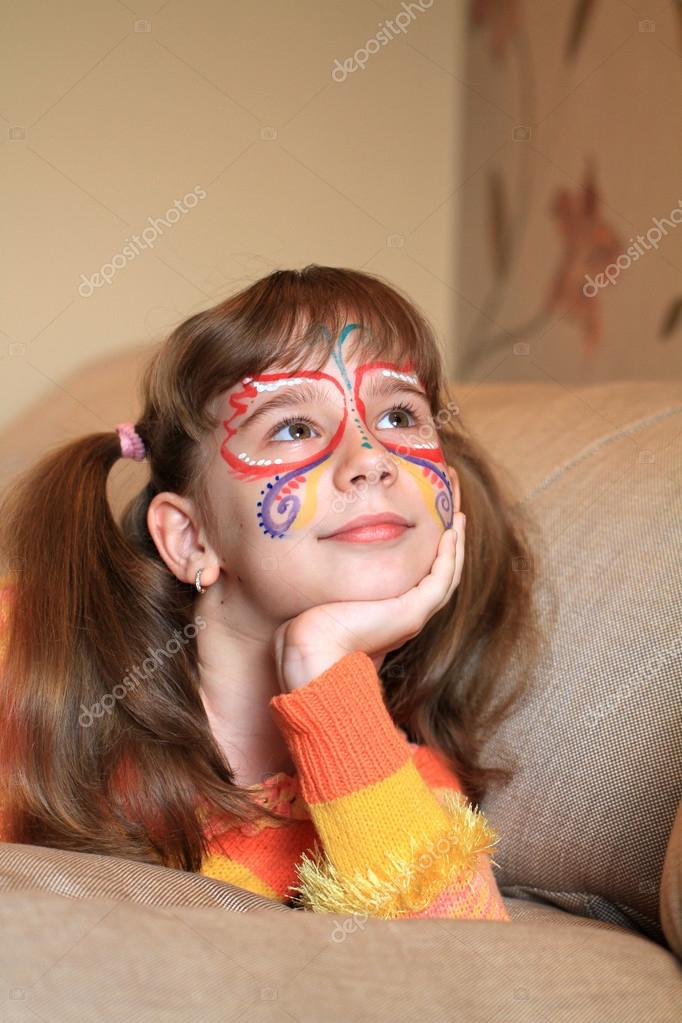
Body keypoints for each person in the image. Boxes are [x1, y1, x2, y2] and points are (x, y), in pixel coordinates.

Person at [0, 265, 544, 920]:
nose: (372, 456)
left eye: (399, 415)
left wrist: (327, 673)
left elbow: (465, 974)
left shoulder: (402, 786)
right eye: (294, 428)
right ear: (190, 538)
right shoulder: (24, 655)